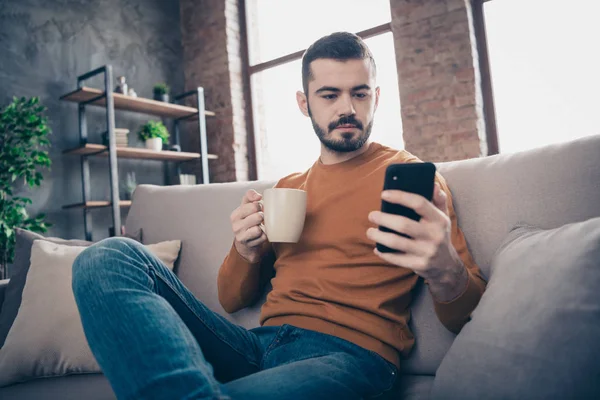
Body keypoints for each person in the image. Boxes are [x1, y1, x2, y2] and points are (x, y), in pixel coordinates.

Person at [72, 32, 486, 400]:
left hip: (351, 358)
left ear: (375, 97)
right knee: (107, 257)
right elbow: (232, 300)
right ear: (304, 104)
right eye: (329, 95)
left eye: (360, 93)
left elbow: (463, 317)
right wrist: (244, 250)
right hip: (256, 346)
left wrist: (444, 270)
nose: (347, 108)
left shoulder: (414, 180)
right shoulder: (287, 189)